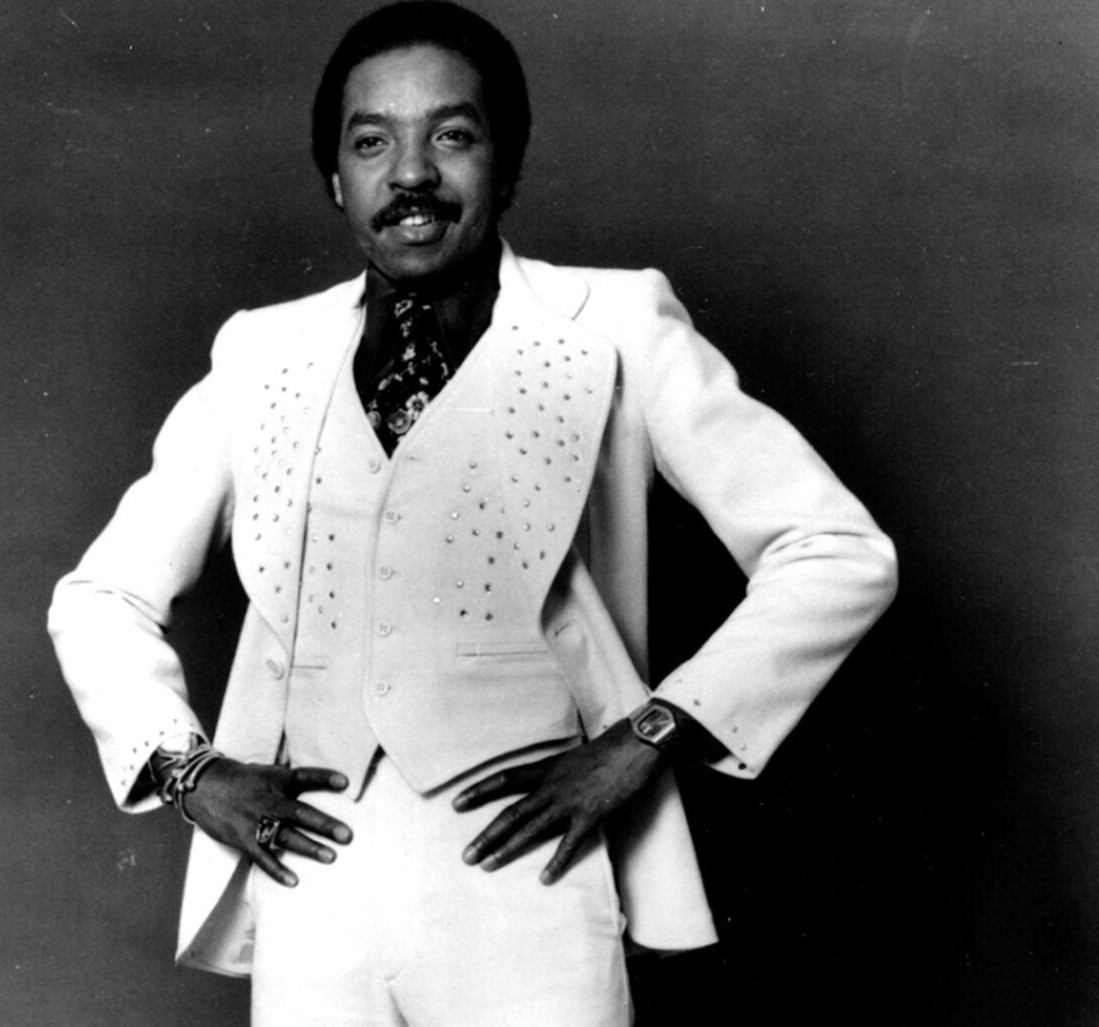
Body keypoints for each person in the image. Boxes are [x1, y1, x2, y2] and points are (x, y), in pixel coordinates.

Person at [47, 3, 898, 1024]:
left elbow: (836, 550)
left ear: (509, 163)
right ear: (335, 178)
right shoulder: (260, 353)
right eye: (372, 143)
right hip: (312, 882)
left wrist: (648, 734)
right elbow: (99, 598)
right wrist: (190, 771)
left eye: (451, 135)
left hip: (531, 877)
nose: (411, 174)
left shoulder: (617, 323)